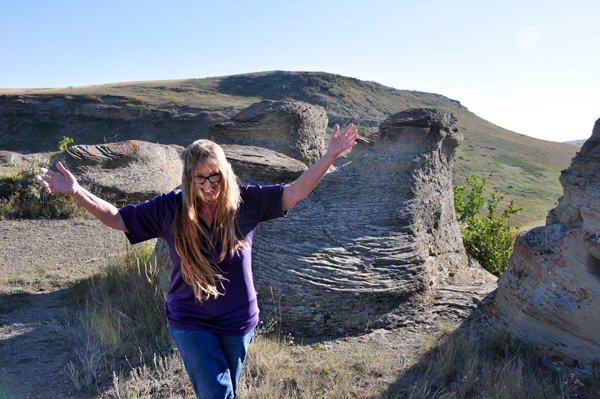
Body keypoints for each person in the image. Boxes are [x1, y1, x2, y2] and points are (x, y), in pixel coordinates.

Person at [36, 123, 358, 399]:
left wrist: (330, 155)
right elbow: (119, 218)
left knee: (225, 388)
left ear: (224, 173)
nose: (208, 186)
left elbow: (295, 191)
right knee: (218, 394)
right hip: (190, 320)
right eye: (199, 178)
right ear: (188, 177)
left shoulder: (245, 202)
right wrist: (77, 192)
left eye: (214, 176)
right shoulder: (170, 208)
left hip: (239, 321)